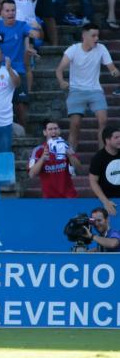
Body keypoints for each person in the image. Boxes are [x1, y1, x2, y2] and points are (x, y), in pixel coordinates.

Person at [55, 23, 120, 151]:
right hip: (76, 90)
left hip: (95, 90)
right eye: (93, 36)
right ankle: (71, 157)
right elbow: (59, 69)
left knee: (103, 121)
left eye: (98, 36)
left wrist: (114, 71)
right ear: (84, 36)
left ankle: (103, 154)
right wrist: (62, 81)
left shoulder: (101, 48)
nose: (96, 39)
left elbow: (111, 67)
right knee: (75, 124)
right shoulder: (73, 49)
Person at [28, 119, 83, 199]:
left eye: (56, 128)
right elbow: (31, 174)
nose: (53, 131)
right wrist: (43, 158)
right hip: (50, 198)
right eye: (50, 129)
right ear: (45, 132)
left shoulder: (66, 146)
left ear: (59, 131)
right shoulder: (38, 150)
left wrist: (70, 155)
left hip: (69, 196)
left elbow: (79, 169)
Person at [89, 126, 120, 216]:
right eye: (116, 137)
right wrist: (105, 201)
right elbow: (93, 181)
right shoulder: (98, 158)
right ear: (107, 140)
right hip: (107, 200)